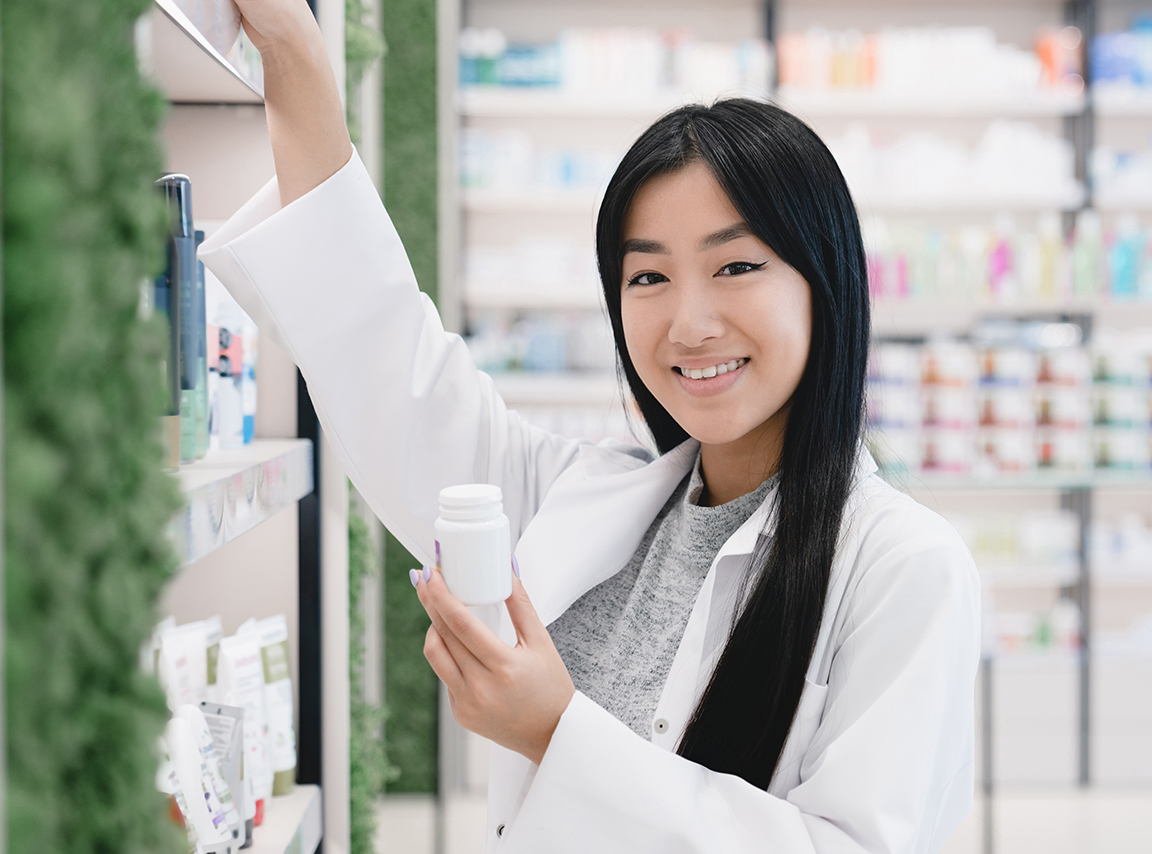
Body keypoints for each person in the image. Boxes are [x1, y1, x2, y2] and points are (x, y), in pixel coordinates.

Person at [205, 2, 981, 851]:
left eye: (736, 266)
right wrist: (293, 54)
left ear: (824, 284)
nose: (689, 322)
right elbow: (382, 357)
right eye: (647, 277)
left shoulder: (904, 567)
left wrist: (555, 732)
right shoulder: (581, 501)